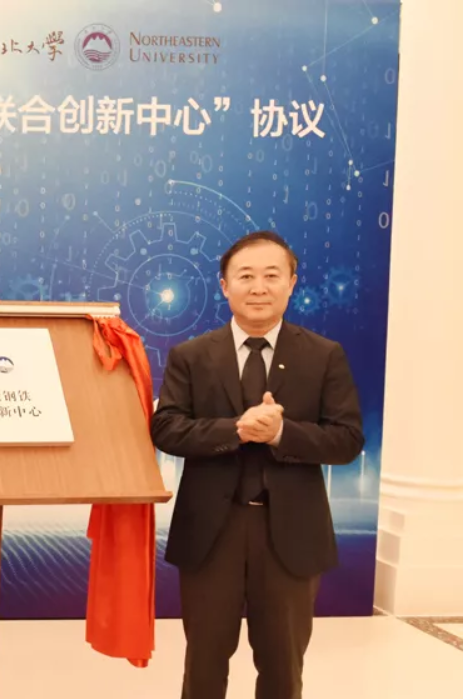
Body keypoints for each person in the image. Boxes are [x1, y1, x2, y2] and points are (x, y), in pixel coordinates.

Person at [151, 231, 365, 699]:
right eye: (245, 276)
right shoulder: (191, 355)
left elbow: (347, 440)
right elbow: (166, 429)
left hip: (291, 533)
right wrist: (236, 430)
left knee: (283, 668)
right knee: (204, 665)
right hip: (211, 534)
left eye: (272, 275)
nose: (259, 287)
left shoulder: (324, 355)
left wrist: (282, 434)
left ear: (292, 283)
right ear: (224, 285)